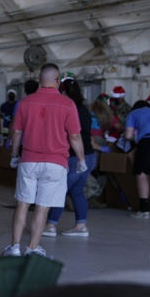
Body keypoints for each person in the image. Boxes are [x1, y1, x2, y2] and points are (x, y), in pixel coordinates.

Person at [4, 64, 87, 259]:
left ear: (40, 80)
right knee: (42, 206)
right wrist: (81, 159)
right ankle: (32, 248)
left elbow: (17, 133)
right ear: (58, 80)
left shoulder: (26, 102)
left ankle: (14, 247)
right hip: (56, 163)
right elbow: (74, 137)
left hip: (29, 160)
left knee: (22, 204)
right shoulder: (67, 105)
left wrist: (15, 155)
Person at [42, 77, 96, 237]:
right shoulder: (84, 109)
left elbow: (73, 135)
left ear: (62, 90)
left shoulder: (67, 107)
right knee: (77, 191)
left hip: (75, 156)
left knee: (60, 189)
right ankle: (81, 225)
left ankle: (51, 225)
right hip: (91, 155)